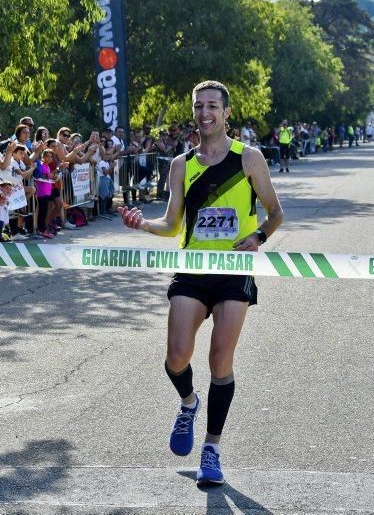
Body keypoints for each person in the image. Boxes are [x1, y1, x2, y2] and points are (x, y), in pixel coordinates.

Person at [118, 80, 284, 487]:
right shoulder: (181, 165)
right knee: (176, 356)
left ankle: (212, 448)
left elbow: (276, 213)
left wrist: (259, 237)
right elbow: (172, 223)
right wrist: (143, 224)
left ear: (227, 112)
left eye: (212, 106)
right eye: (198, 106)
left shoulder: (250, 159)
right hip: (192, 270)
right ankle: (188, 403)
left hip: (232, 274)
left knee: (219, 361)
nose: (204, 113)